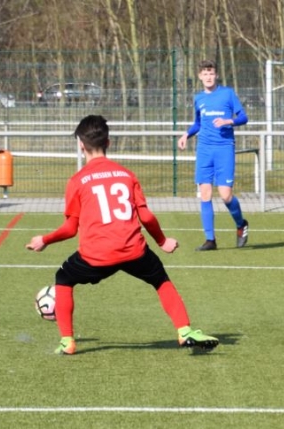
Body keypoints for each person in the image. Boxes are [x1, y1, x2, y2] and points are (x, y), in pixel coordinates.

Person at [26, 114, 219, 355]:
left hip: (96, 256)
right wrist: (162, 241)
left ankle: (67, 341)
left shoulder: (77, 181)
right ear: (108, 142)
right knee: (160, 280)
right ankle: (184, 330)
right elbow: (146, 217)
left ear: (81, 145)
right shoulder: (127, 175)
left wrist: (44, 240)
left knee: (63, 278)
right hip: (133, 250)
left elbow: (70, 229)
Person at [177, 59, 250, 251]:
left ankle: (241, 224)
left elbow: (244, 117)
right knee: (205, 193)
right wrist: (186, 134)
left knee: (225, 195)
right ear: (200, 76)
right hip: (204, 150)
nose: (208, 77)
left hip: (224, 148)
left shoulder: (227, 93)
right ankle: (210, 240)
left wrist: (228, 121)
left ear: (216, 75)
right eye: (205, 74)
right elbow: (198, 123)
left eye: (211, 73)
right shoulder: (199, 98)